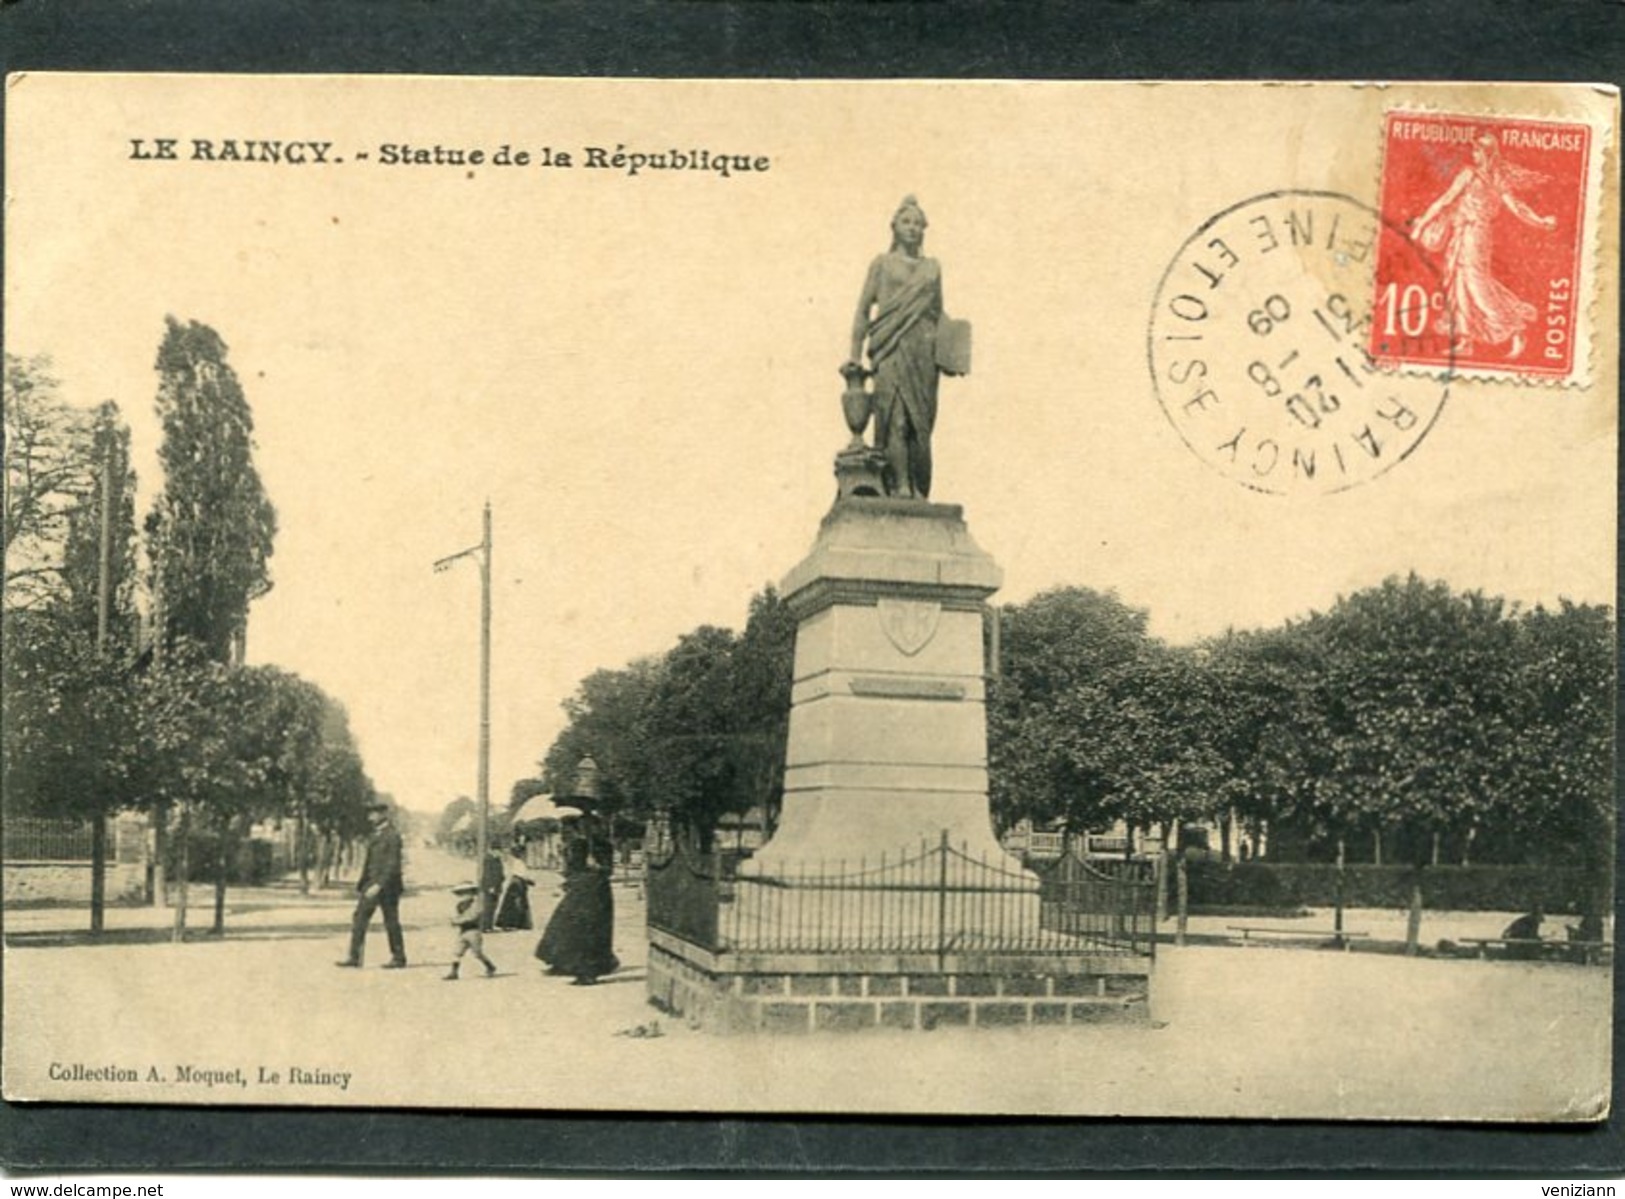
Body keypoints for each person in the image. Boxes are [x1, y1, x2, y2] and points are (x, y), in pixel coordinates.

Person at [1412, 133, 1557, 359]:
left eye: (1478, 151)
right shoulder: (1476, 174)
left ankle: (1514, 327)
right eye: (1474, 150)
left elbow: (1515, 206)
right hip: (1463, 232)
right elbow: (1446, 200)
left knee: (1475, 282)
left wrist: (1540, 221)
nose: (1474, 154)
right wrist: (1423, 222)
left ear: (1488, 153)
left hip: (1476, 234)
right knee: (1459, 282)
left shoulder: (1488, 177)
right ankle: (1465, 339)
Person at [847, 195, 951, 500]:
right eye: (907, 222)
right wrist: (854, 354)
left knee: (921, 423)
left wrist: (952, 348)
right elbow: (863, 310)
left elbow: (939, 312)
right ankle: (899, 484)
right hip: (890, 347)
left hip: (923, 351)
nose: (913, 228)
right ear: (894, 226)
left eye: (919, 224)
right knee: (896, 416)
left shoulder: (932, 268)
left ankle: (919, 486)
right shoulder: (882, 264)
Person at [534, 821, 619, 985]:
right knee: (562, 925)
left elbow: (608, 870)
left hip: (596, 891)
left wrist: (598, 866)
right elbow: (572, 868)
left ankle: (588, 972)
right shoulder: (577, 844)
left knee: (588, 930)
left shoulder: (601, 845)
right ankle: (561, 963)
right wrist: (567, 869)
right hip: (579, 888)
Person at [336, 800, 407, 969]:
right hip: (370, 884)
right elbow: (369, 863)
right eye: (369, 813)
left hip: (387, 887)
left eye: (373, 813)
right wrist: (364, 884)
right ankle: (354, 957)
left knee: (391, 921)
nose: (370, 817)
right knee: (359, 918)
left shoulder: (392, 836)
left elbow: (393, 865)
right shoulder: (374, 834)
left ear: (383, 814)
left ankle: (398, 957)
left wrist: (379, 885)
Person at [444, 883, 498, 981]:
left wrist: (457, 921)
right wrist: (454, 920)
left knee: (477, 953)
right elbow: (457, 916)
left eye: (466, 893)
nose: (463, 895)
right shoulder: (460, 906)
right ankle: (454, 972)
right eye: (461, 893)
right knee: (457, 952)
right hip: (463, 932)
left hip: (473, 931)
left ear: (472, 893)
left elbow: (472, 917)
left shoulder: (476, 905)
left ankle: (490, 966)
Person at [492, 845, 535, 931]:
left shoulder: (514, 862)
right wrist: (530, 881)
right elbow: (522, 874)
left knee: (512, 903)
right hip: (518, 883)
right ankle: (515, 923)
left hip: (515, 882)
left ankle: (510, 923)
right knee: (517, 903)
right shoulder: (519, 862)